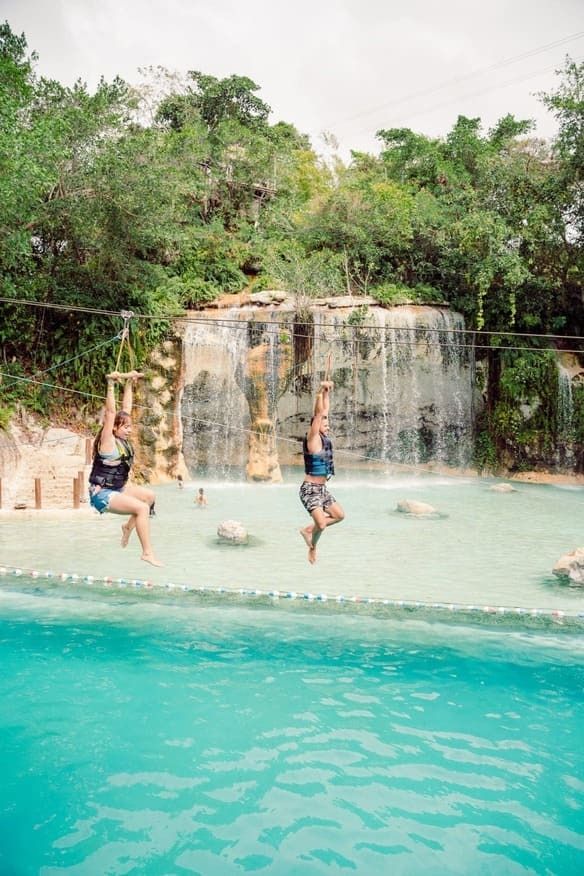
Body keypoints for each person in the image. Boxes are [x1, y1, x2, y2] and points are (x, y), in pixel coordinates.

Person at [88, 370, 162, 567]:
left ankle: (127, 527)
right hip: (102, 494)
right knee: (141, 508)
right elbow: (112, 413)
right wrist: (111, 383)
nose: (129, 429)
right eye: (126, 427)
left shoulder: (121, 440)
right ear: (114, 428)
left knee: (149, 497)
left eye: (130, 426)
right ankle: (147, 552)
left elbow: (126, 408)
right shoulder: (108, 441)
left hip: (118, 488)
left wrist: (129, 382)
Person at [299, 380, 345, 564]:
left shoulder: (323, 438)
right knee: (322, 524)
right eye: (324, 424)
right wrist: (319, 391)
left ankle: (308, 529)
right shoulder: (313, 439)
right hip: (310, 489)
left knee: (339, 516)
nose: (328, 426)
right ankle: (312, 545)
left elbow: (324, 411)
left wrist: (327, 392)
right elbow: (319, 413)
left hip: (322, 490)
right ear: (316, 426)